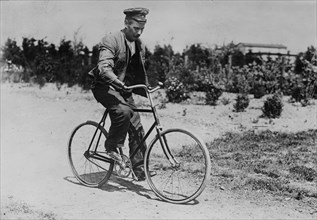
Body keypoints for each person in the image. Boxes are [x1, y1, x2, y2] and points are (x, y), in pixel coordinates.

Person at [88, 7, 151, 181]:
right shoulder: (111, 39)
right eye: (135, 28)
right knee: (123, 112)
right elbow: (103, 68)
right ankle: (111, 146)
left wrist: (147, 86)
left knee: (136, 125)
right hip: (104, 86)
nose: (139, 33)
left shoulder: (139, 45)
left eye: (142, 29)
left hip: (123, 88)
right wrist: (118, 83)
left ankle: (140, 170)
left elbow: (138, 69)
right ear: (126, 23)